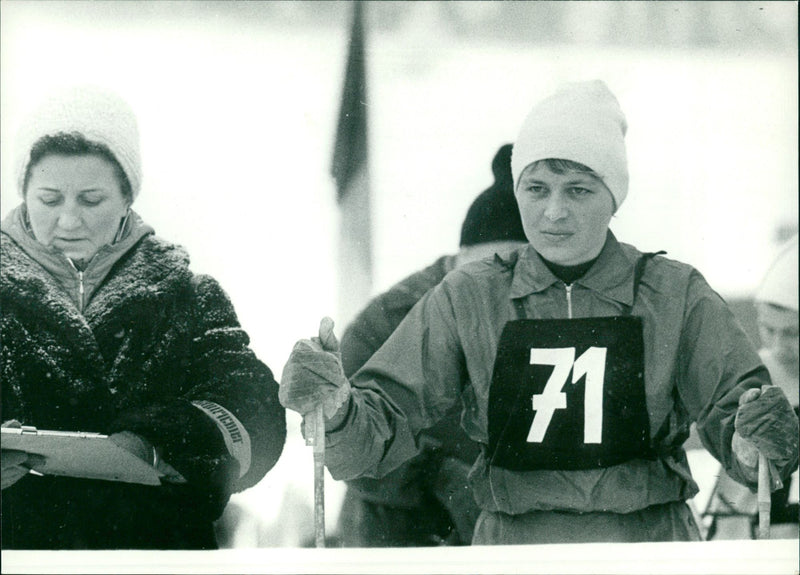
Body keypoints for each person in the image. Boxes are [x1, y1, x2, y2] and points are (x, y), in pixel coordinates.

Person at [279, 80, 799, 545]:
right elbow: (379, 426)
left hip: (648, 545)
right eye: (537, 189)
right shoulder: (469, 296)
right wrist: (339, 410)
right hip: (513, 549)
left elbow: (740, 418)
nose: (554, 212)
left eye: (578, 190)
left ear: (613, 196)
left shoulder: (675, 294)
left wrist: (754, 442)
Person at [0, 85, 287, 549]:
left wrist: (163, 441)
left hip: (157, 552)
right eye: (49, 199)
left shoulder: (188, 296)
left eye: (91, 200)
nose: (69, 221)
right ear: (24, 194)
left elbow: (253, 408)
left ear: (127, 198)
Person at [337, 143, 528, 547]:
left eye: (519, 275)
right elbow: (345, 439)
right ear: (459, 260)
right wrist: (442, 475)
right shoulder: (388, 321)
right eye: (487, 270)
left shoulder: (542, 313)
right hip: (394, 535)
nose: (498, 291)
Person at [704, 235, 799, 538]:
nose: (778, 344)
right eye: (768, 329)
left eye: (793, 333)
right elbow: (731, 514)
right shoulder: (754, 377)